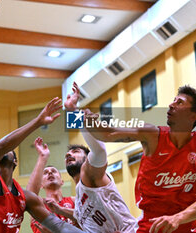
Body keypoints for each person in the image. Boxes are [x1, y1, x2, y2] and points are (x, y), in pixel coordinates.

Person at [86, 86, 196, 233]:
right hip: (151, 225)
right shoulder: (152, 135)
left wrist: (177, 218)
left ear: (193, 116)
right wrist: (75, 112)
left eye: (180, 102)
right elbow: (106, 134)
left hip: (187, 225)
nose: (171, 105)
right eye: (173, 100)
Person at [0, 97, 85, 233]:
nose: (3, 148)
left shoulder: (25, 198)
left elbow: (60, 227)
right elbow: (1, 147)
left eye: (9, 150)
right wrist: (37, 122)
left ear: (15, 161)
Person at [57, 82, 138, 233]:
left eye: (75, 151)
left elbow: (99, 150)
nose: (69, 154)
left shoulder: (90, 173)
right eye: (67, 154)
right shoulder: (80, 195)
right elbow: (78, 216)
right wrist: (58, 210)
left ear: (88, 158)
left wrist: (74, 111)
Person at [27, 137, 78, 233]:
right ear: (40, 185)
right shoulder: (39, 205)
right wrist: (42, 157)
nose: (50, 173)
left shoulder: (74, 200)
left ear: (62, 181)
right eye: (45, 172)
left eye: (54, 171)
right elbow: (29, 196)